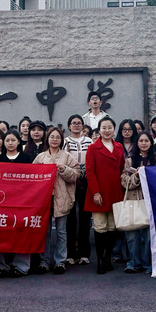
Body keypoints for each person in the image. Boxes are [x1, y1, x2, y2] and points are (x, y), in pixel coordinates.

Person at [33, 127, 80, 275]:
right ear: (47, 139)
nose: (54, 140)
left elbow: (76, 174)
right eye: (52, 137)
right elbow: (32, 176)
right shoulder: (40, 157)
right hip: (44, 199)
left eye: (57, 137)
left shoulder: (67, 156)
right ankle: (44, 261)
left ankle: (60, 261)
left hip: (62, 197)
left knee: (61, 231)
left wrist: (64, 169)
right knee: (45, 232)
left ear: (61, 140)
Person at [85, 116, 125, 274]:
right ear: (99, 130)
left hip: (115, 191)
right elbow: (90, 171)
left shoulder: (119, 147)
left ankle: (108, 258)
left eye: (110, 128)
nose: (107, 131)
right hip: (99, 192)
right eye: (104, 128)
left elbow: (121, 168)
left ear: (114, 129)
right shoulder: (93, 148)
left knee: (112, 227)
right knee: (100, 227)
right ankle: (100, 260)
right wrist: (95, 192)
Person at [121, 132, 156, 274]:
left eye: (146, 141)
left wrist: (148, 174)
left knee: (149, 235)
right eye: (141, 141)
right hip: (133, 201)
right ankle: (134, 263)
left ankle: (148, 263)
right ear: (137, 143)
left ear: (151, 143)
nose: (144, 143)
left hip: (151, 202)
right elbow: (124, 181)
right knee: (132, 234)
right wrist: (136, 176)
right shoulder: (129, 161)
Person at [0, 131, 32, 277]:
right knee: (0, 232)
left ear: (18, 142)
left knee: (22, 232)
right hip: (2, 202)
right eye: (7, 140)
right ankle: (0, 265)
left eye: (13, 140)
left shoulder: (26, 158)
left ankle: (21, 266)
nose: (10, 143)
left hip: (22, 202)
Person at [64, 114, 93, 266]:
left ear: (83, 126)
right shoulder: (65, 142)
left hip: (86, 181)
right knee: (70, 218)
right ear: (69, 126)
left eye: (79, 123)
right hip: (70, 181)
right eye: (73, 123)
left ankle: (84, 253)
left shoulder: (89, 141)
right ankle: (70, 253)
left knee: (85, 217)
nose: (76, 125)